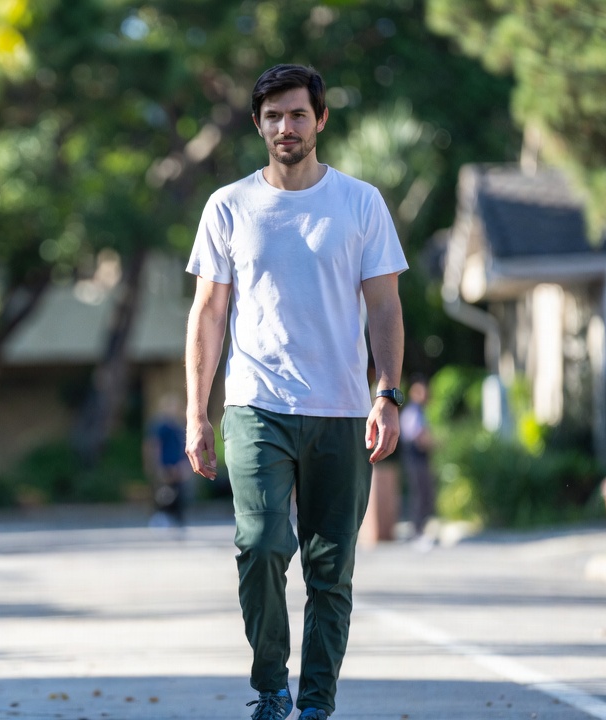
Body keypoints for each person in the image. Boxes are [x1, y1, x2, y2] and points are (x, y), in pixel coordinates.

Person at [183, 64, 407, 720]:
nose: (286, 126)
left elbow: (386, 308)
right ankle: (270, 685)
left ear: (321, 120)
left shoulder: (360, 203)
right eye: (274, 115)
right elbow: (207, 315)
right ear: (258, 124)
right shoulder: (229, 206)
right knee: (260, 545)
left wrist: (387, 395)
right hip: (256, 406)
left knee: (330, 569)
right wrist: (198, 414)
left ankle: (313, 705)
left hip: (340, 408)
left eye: (298, 114)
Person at [144, 393, 194, 528]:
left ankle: (178, 520)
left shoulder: (179, 426)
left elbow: (184, 447)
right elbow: (154, 446)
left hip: (178, 466)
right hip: (165, 465)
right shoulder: (160, 427)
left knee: (179, 494)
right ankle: (160, 518)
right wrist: (157, 466)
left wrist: (185, 465)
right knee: (163, 494)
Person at [399, 376, 436, 545]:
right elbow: (419, 438)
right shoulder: (412, 412)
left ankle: (421, 529)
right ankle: (417, 532)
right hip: (415, 459)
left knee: (425, 495)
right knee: (419, 495)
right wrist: (433, 442)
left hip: (421, 460)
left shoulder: (419, 412)